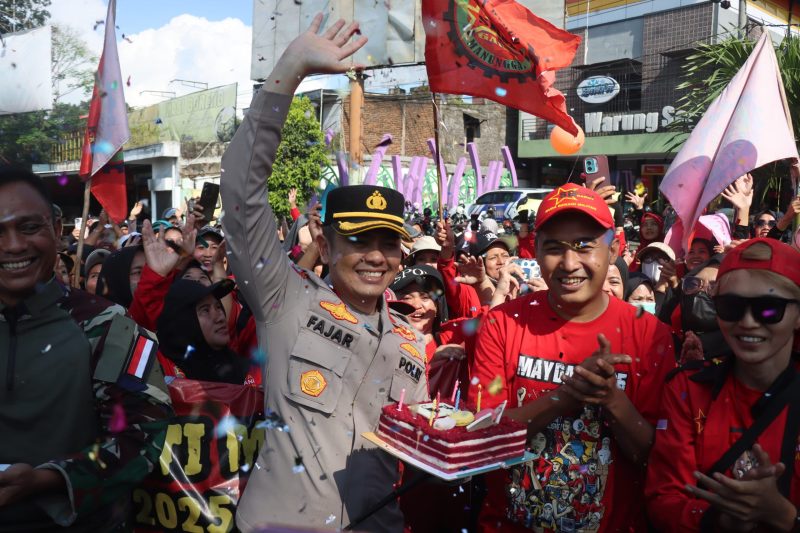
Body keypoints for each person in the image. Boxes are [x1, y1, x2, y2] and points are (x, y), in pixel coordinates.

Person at [220, 16, 428, 532]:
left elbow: (417, 451)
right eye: (358, 240)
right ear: (327, 243)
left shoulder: (411, 346)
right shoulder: (283, 301)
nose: (375, 257)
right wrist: (288, 74)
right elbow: (243, 199)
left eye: (387, 243)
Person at [469, 182, 675, 531]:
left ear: (611, 252)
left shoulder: (651, 334)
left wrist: (612, 400)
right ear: (534, 252)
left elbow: (658, 461)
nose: (569, 263)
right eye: (554, 248)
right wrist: (562, 399)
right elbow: (480, 441)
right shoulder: (502, 323)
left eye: (584, 246)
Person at [0, 165, 172, 531]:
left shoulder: (110, 325)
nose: (13, 245)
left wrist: (52, 479)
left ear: (57, 231)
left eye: (29, 227)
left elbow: (142, 437)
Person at [646, 238, 800, 531]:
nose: (748, 322)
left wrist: (783, 516)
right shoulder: (688, 390)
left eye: (769, 308)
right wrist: (720, 518)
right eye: (731, 307)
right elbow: (663, 499)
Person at [156, 279, 253, 384]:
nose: (219, 317)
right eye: (205, 310)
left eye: (218, 307)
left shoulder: (247, 372)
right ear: (183, 321)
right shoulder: (161, 371)